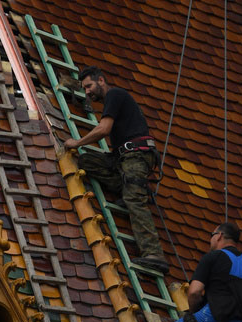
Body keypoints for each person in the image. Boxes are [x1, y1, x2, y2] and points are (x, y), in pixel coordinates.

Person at [63, 66, 169, 274]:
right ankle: (127, 186)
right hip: (124, 159)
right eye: (84, 89)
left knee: (133, 200)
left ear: (101, 80)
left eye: (89, 86)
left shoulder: (114, 94)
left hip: (136, 156)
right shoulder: (112, 99)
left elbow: (104, 129)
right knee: (87, 161)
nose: (88, 92)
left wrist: (77, 142)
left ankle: (154, 254)